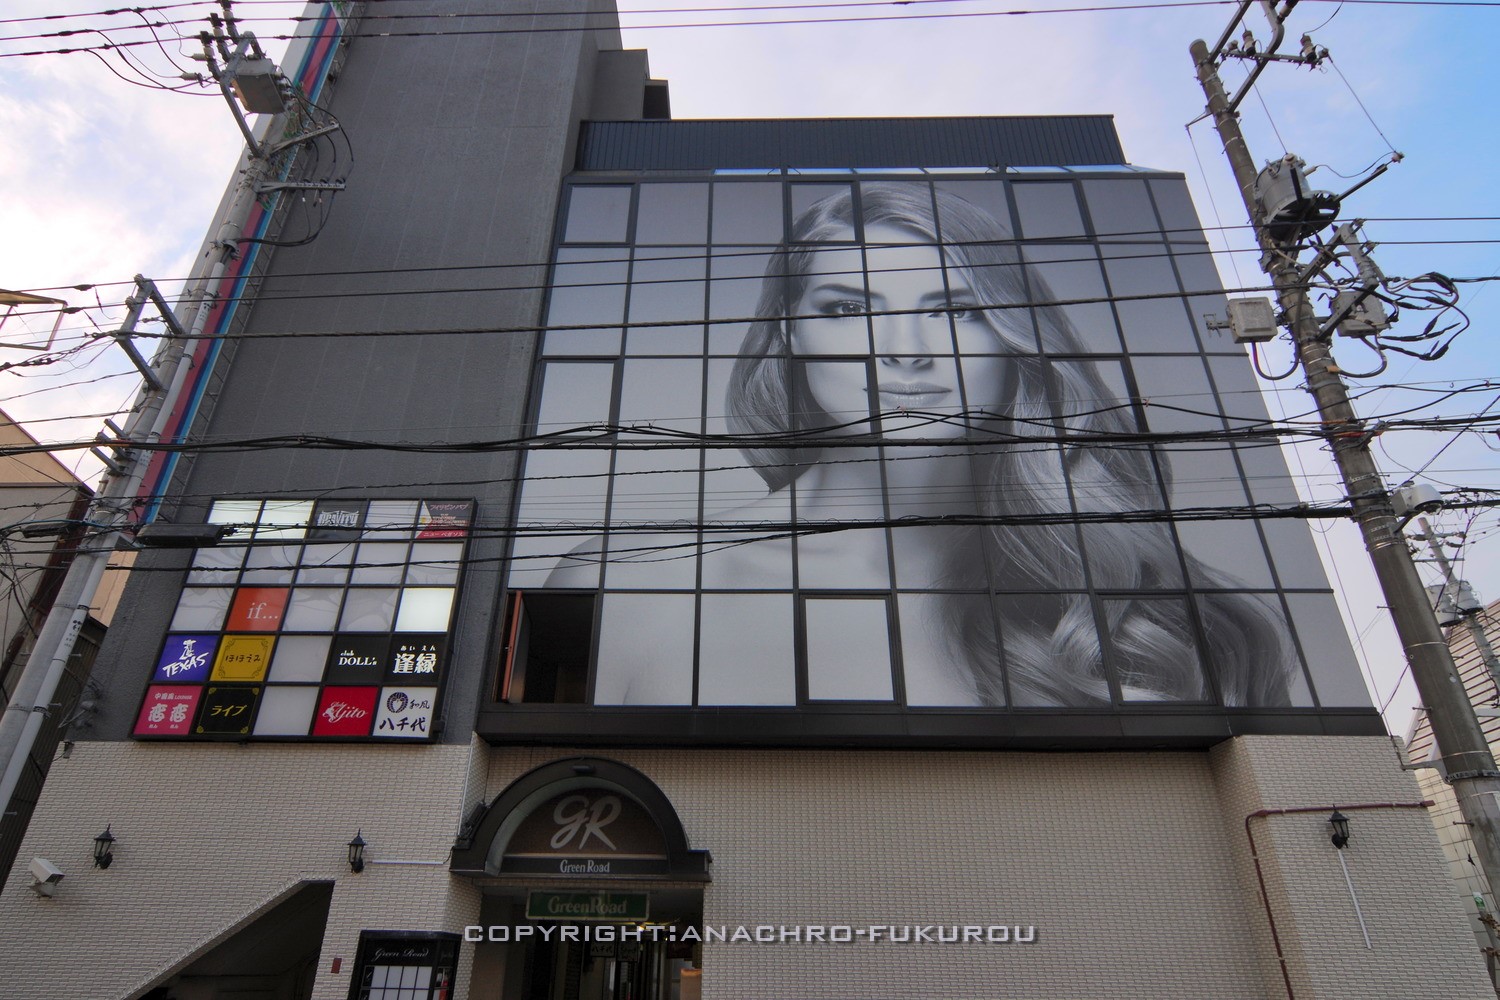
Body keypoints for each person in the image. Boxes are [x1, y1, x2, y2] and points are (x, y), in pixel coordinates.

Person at [551, 182, 1295, 708]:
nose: (904, 352)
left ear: (1016, 341)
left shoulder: (1151, 614)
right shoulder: (619, 580)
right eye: (850, 309)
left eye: (956, 310)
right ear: (789, 334)